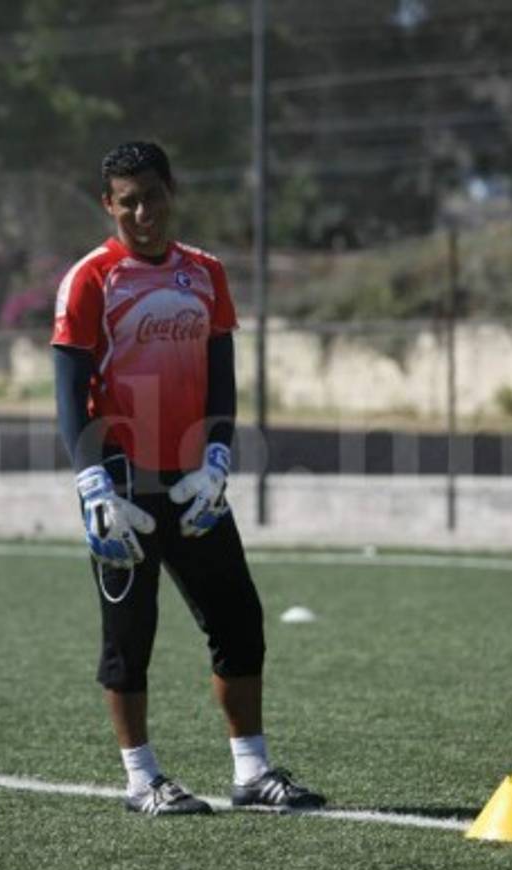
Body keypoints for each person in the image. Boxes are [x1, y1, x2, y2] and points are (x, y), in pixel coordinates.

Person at [52, 141, 325, 816]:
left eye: (153, 196)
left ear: (171, 191)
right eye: (128, 202)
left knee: (239, 619)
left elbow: (220, 381)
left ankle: (252, 772)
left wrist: (218, 459)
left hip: (192, 479)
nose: (143, 212)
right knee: (129, 632)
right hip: (121, 483)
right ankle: (141, 780)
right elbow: (69, 393)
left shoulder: (205, 273)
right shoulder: (90, 279)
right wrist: (92, 485)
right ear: (108, 205)